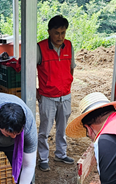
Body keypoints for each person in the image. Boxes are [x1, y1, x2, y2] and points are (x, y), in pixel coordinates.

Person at [36, 15, 76, 172]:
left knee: (62, 128)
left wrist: (68, 83)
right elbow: (29, 70)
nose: (60, 37)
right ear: (49, 32)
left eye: (63, 32)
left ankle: (61, 154)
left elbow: (71, 67)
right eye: (57, 33)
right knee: (45, 130)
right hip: (47, 97)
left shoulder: (69, 46)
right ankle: (43, 158)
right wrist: (36, 91)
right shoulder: (40, 48)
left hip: (65, 95)